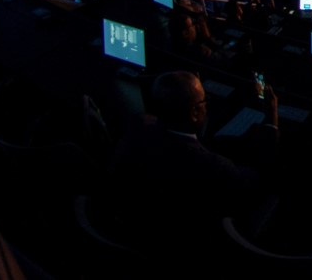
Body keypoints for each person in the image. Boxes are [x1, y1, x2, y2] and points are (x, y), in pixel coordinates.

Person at [103, 70, 277, 248]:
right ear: (194, 112)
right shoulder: (213, 166)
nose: (206, 106)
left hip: (134, 231)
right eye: (203, 102)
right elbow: (257, 179)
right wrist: (271, 122)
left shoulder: (138, 128)